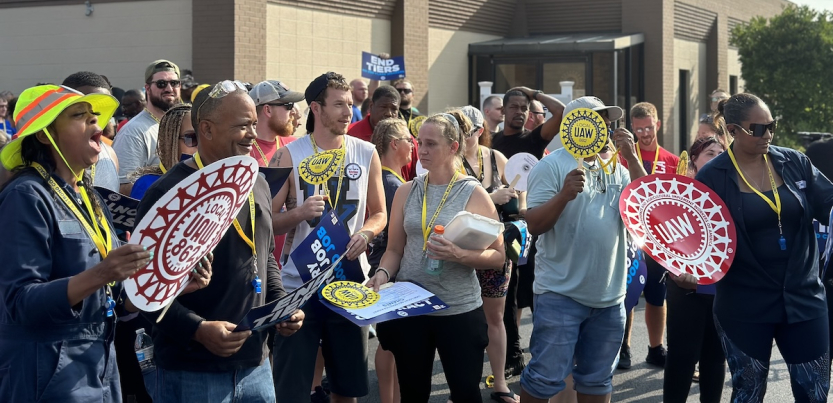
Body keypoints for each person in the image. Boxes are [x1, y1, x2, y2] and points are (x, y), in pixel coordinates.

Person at [136, 81, 303, 401]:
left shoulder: (256, 180)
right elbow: (141, 287)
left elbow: (264, 254)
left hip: (256, 365)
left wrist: (280, 305)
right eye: (242, 126)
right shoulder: (167, 193)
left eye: (254, 123)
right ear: (207, 130)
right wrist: (196, 329)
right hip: (192, 371)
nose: (253, 134)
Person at [0, 84, 152, 401]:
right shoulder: (26, 195)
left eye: (95, 117)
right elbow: (20, 301)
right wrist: (103, 273)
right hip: (49, 372)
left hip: (99, 366)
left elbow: (116, 299)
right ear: (45, 135)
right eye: (79, 116)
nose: (96, 125)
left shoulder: (89, 197)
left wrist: (164, 282)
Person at [695, 93, 833, 402]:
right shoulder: (712, 177)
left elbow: (829, 203)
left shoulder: (794, 161)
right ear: (732, 130)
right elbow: (696, 238)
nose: (767, 135)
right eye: (757, 129)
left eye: (771, 126)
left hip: (803, 296)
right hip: (744, 301)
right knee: (748, 392)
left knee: (815, 393)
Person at [367, 111, 505, 403]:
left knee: (466, 393)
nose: (422, 150)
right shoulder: (407, 191)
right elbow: (394, 250)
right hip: (412, 306)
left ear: (454, 147)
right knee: (414, 394)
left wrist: (459, 253)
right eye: (420, 142)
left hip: (458, 310)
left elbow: (498, 256)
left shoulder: (473, 193)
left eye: (431, 144)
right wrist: (382, 274)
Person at [519, 96, 646, 403]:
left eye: (607, 121)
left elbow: (645, 207)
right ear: (575, 124)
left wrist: (631, 155)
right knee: (544, 378)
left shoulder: (618, 166)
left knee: (598, 379)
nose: (604, 126)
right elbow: (534, 225)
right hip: (560, 294)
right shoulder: (551, 165)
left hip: (609, 297)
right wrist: (563, 195)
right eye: (597, 119)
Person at [270, 72, 386, 403]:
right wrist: (298, 214)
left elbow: (380, 213)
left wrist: (366, 233)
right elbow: (266, 222)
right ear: (316, 108)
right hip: (298, 286)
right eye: (339, 105)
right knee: (291, 389)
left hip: (349, 284)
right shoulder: (289, 155)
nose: (348, 112)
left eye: (350, 104)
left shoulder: (366, 153)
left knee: (346, 389)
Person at [491, 86, 565, 378]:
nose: (520, 112)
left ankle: (541, 353)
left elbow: (561, 113)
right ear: (503, 111)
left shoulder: (532, 139)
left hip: (531, 227)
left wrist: (536, 93)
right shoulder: (493, 142)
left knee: (532, 289)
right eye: (515, 107)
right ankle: (513, 354)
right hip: (501, 229)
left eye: (525, 107)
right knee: (507, 294)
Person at [459, 105, 518, 403]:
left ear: (479, 132)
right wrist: (492, 197)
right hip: (461, 249)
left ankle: (500, 385)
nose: (457, 136)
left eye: (464, 131)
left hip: (495, 247)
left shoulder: (495, 158)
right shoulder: (451, 159)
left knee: (495, 319)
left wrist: (513, 198)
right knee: (462, 322)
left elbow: (522, 192)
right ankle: (462, 389)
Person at [663, 136, 726, 403]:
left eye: (722, 152)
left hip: (721, 290)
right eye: (710, 153)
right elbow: (659, 237)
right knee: (682, 358)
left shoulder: (733, 190)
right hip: (684, 288)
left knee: (715, 358)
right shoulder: (679, 193)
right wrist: (675, 271)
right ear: (694, 162)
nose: (718, 157)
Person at [619, 101, 679, 370]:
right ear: (632, 128)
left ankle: (656, 348)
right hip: (628, 236)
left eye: (648, 127)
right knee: (628, 293)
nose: (644, 134)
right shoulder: (620, 158)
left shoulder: (672, 161)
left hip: (660, 239)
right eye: (639, 129)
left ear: (657, 124)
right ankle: (624, 347)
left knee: (657, 296)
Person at [368, 118, 413, 403]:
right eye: (410, 139)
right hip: (389, 267)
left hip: (383, 263)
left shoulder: (389, 180)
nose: (414, 145)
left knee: (392, 341)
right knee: (390, 342)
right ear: (395, 144)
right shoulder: (392, 184)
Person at [113, 59, 181, 195]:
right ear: (148, 88)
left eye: (174, 83)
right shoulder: (133, 132)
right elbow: (122, 188)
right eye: (161, 84)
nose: (169, 88)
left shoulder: (183, 124)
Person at [61, 71, 121, 193]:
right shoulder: (43, 165)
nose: (94, 116)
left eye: (101, 109)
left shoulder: (110, 154)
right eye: (81, 111)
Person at [128, 104, 197, 199]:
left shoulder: (213, 181)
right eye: (192, 138)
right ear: (169, 142)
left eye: (205, 136)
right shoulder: (147, 185)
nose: (201, 145)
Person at [249, 80, 304, 166]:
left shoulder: (294, 145)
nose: (293, 112)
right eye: (288, 105)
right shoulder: (242, 149)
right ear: (268, 110)